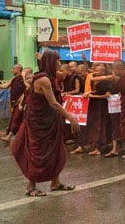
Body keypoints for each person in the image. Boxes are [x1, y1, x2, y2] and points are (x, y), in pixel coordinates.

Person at [11, 50, 79, 197]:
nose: (60, 63)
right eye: (57, 60)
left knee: (56, 151)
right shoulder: (43, 80)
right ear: (51, 62)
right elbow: (53, 103)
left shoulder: (51, 77)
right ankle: (30, 186)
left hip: (51, 120)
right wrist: (71, 117)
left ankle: (55, 183)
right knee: (38, 153)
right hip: (39, 122)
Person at [0, 64, 26, 143]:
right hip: (14, 103)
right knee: (16, 119)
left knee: (16, 119)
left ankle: (9, 136)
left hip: (20, 103)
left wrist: (20, 101)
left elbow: (25, 92)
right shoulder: (14, 79)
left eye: (14, 68)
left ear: (18, 70)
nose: (12, 70)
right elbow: (6, 86)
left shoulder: (22, 79)